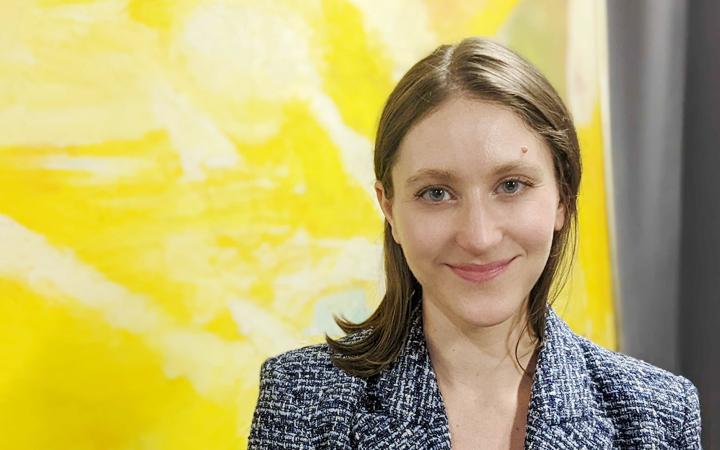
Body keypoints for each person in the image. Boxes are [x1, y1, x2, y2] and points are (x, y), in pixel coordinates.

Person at [247, 37, 702, 449]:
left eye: (511, 185)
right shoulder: (304, 402)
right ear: (389, 209)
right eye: (436, 193)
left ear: (562, 198)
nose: (479, 237)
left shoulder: (658, 416)